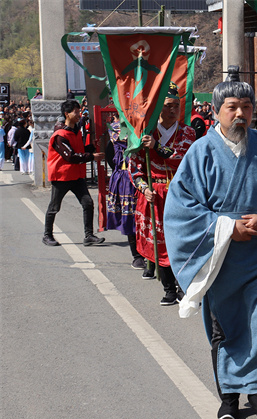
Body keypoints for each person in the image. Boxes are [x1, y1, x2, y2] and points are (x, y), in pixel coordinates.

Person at [163, 67, 257, 419]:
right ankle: (229, 398)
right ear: (217, 110)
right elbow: (182, 208)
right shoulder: (200, 152)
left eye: (247, 107)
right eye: (232, 107)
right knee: (226, 329)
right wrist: (225, 226)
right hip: (219, 258)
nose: (240, 114)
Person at [129, 83, 195, 306]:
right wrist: (143, 187)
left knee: (182, 241)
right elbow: (135, 166)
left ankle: (183, 285)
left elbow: (181, 157)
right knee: (161, 242)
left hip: (181, 194)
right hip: (154, 193)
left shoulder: (188, 132)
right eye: (168, 105)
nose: (173, 109)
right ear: (159, 108)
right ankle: (168, 288)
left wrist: (156, 147)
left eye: (176, 105)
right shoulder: (145, 133)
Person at [43, 100, 105, 247]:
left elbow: (80, 149)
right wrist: (91, 156)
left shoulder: (75, 130)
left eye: (79, 111)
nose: (79, 114)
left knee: (88, 203)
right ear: (67, 114)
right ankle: (47, 235)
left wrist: (91, 148)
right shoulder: (60, 134)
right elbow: (70, 156)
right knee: (54, 207)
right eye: (76, 112)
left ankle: (88, 235)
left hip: (76, 175)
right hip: (62, 176)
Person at [105, 117, 144, 268]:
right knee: (131, 218)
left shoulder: (147, 125)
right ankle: (136, 254)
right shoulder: (116, 128)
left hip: (147, 175)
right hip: (126, 177)